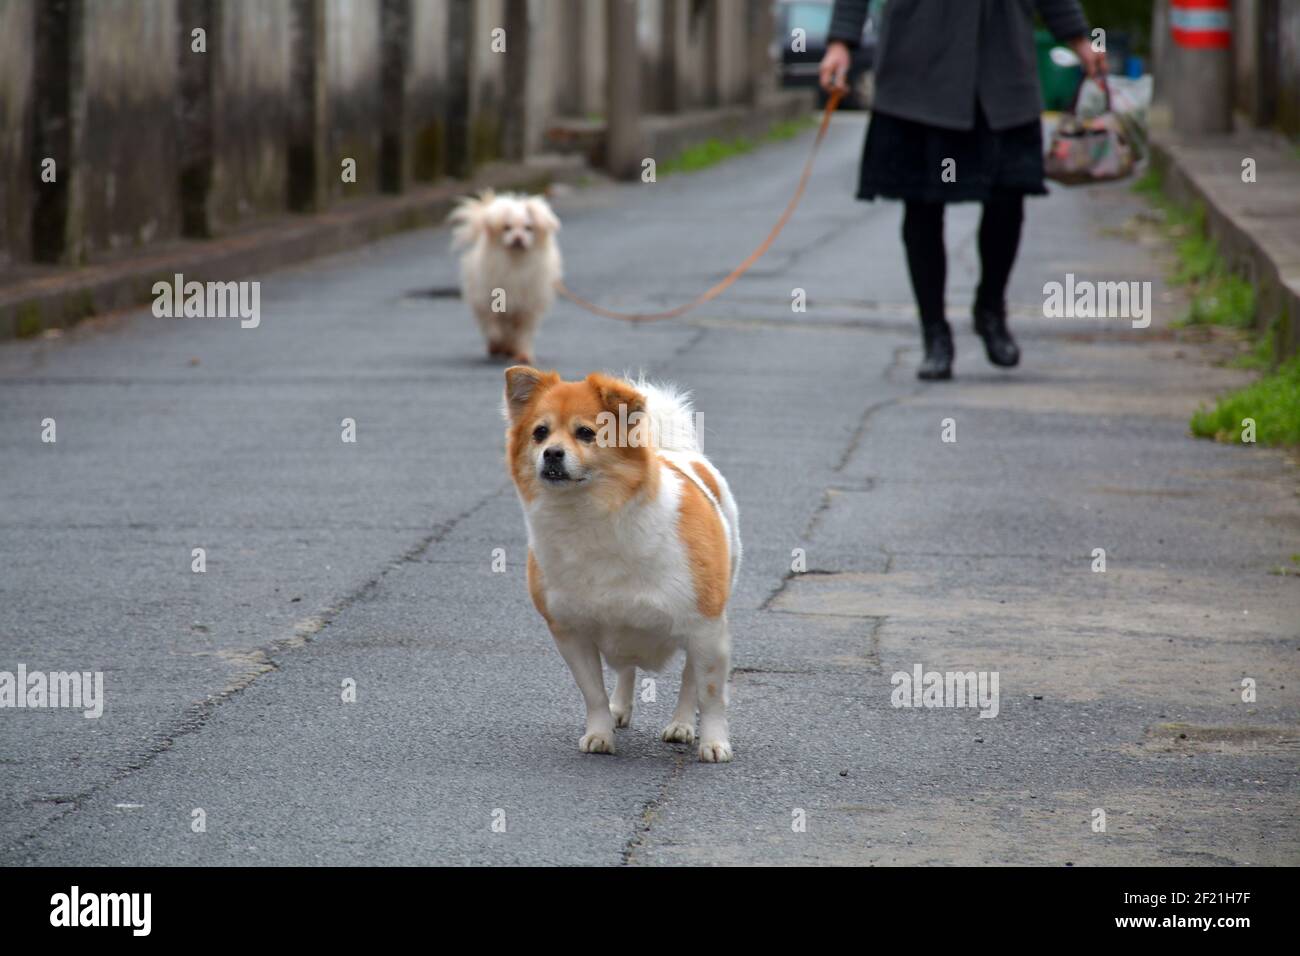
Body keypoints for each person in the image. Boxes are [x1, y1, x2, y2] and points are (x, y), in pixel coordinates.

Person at [820, 0, 1107, 380]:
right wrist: (842, 41)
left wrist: (1079, 38)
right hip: (918, 64)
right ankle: (934, 332)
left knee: (1009, 196)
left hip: (1002, 61)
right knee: (922, 203)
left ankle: (990, 307)